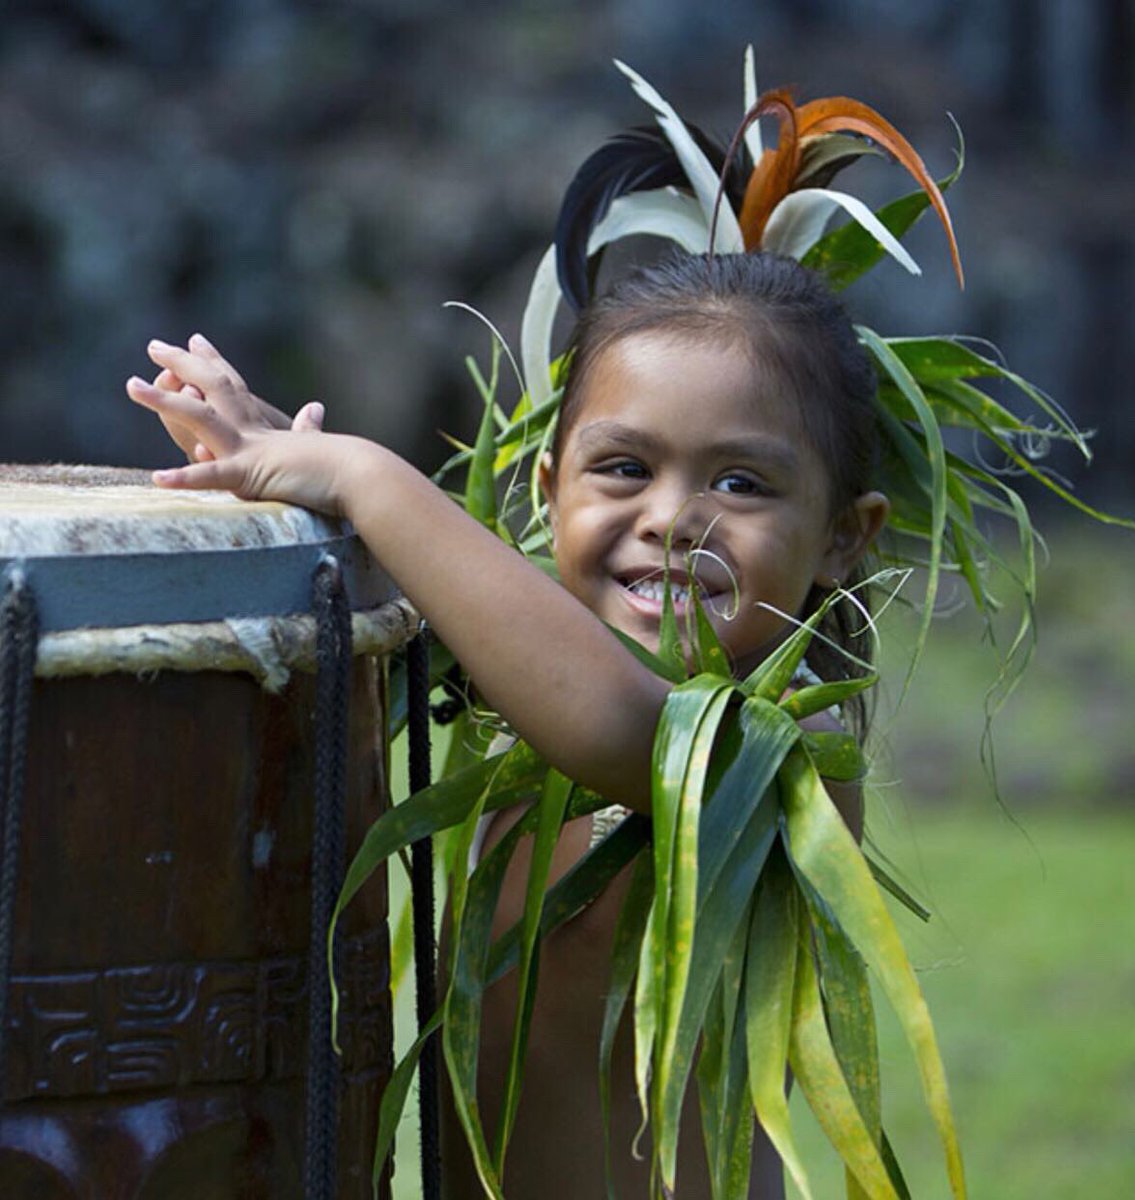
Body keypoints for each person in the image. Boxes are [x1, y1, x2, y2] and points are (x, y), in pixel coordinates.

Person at [126, 250, 890, 1199]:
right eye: (625, 468)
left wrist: (363, 474)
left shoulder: (786, 756)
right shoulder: (531, 682)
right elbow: (487, 604)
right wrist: (287, 461)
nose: (671, 518)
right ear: (547, 489)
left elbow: (619, 724)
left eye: (740, 484)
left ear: (843, 537)